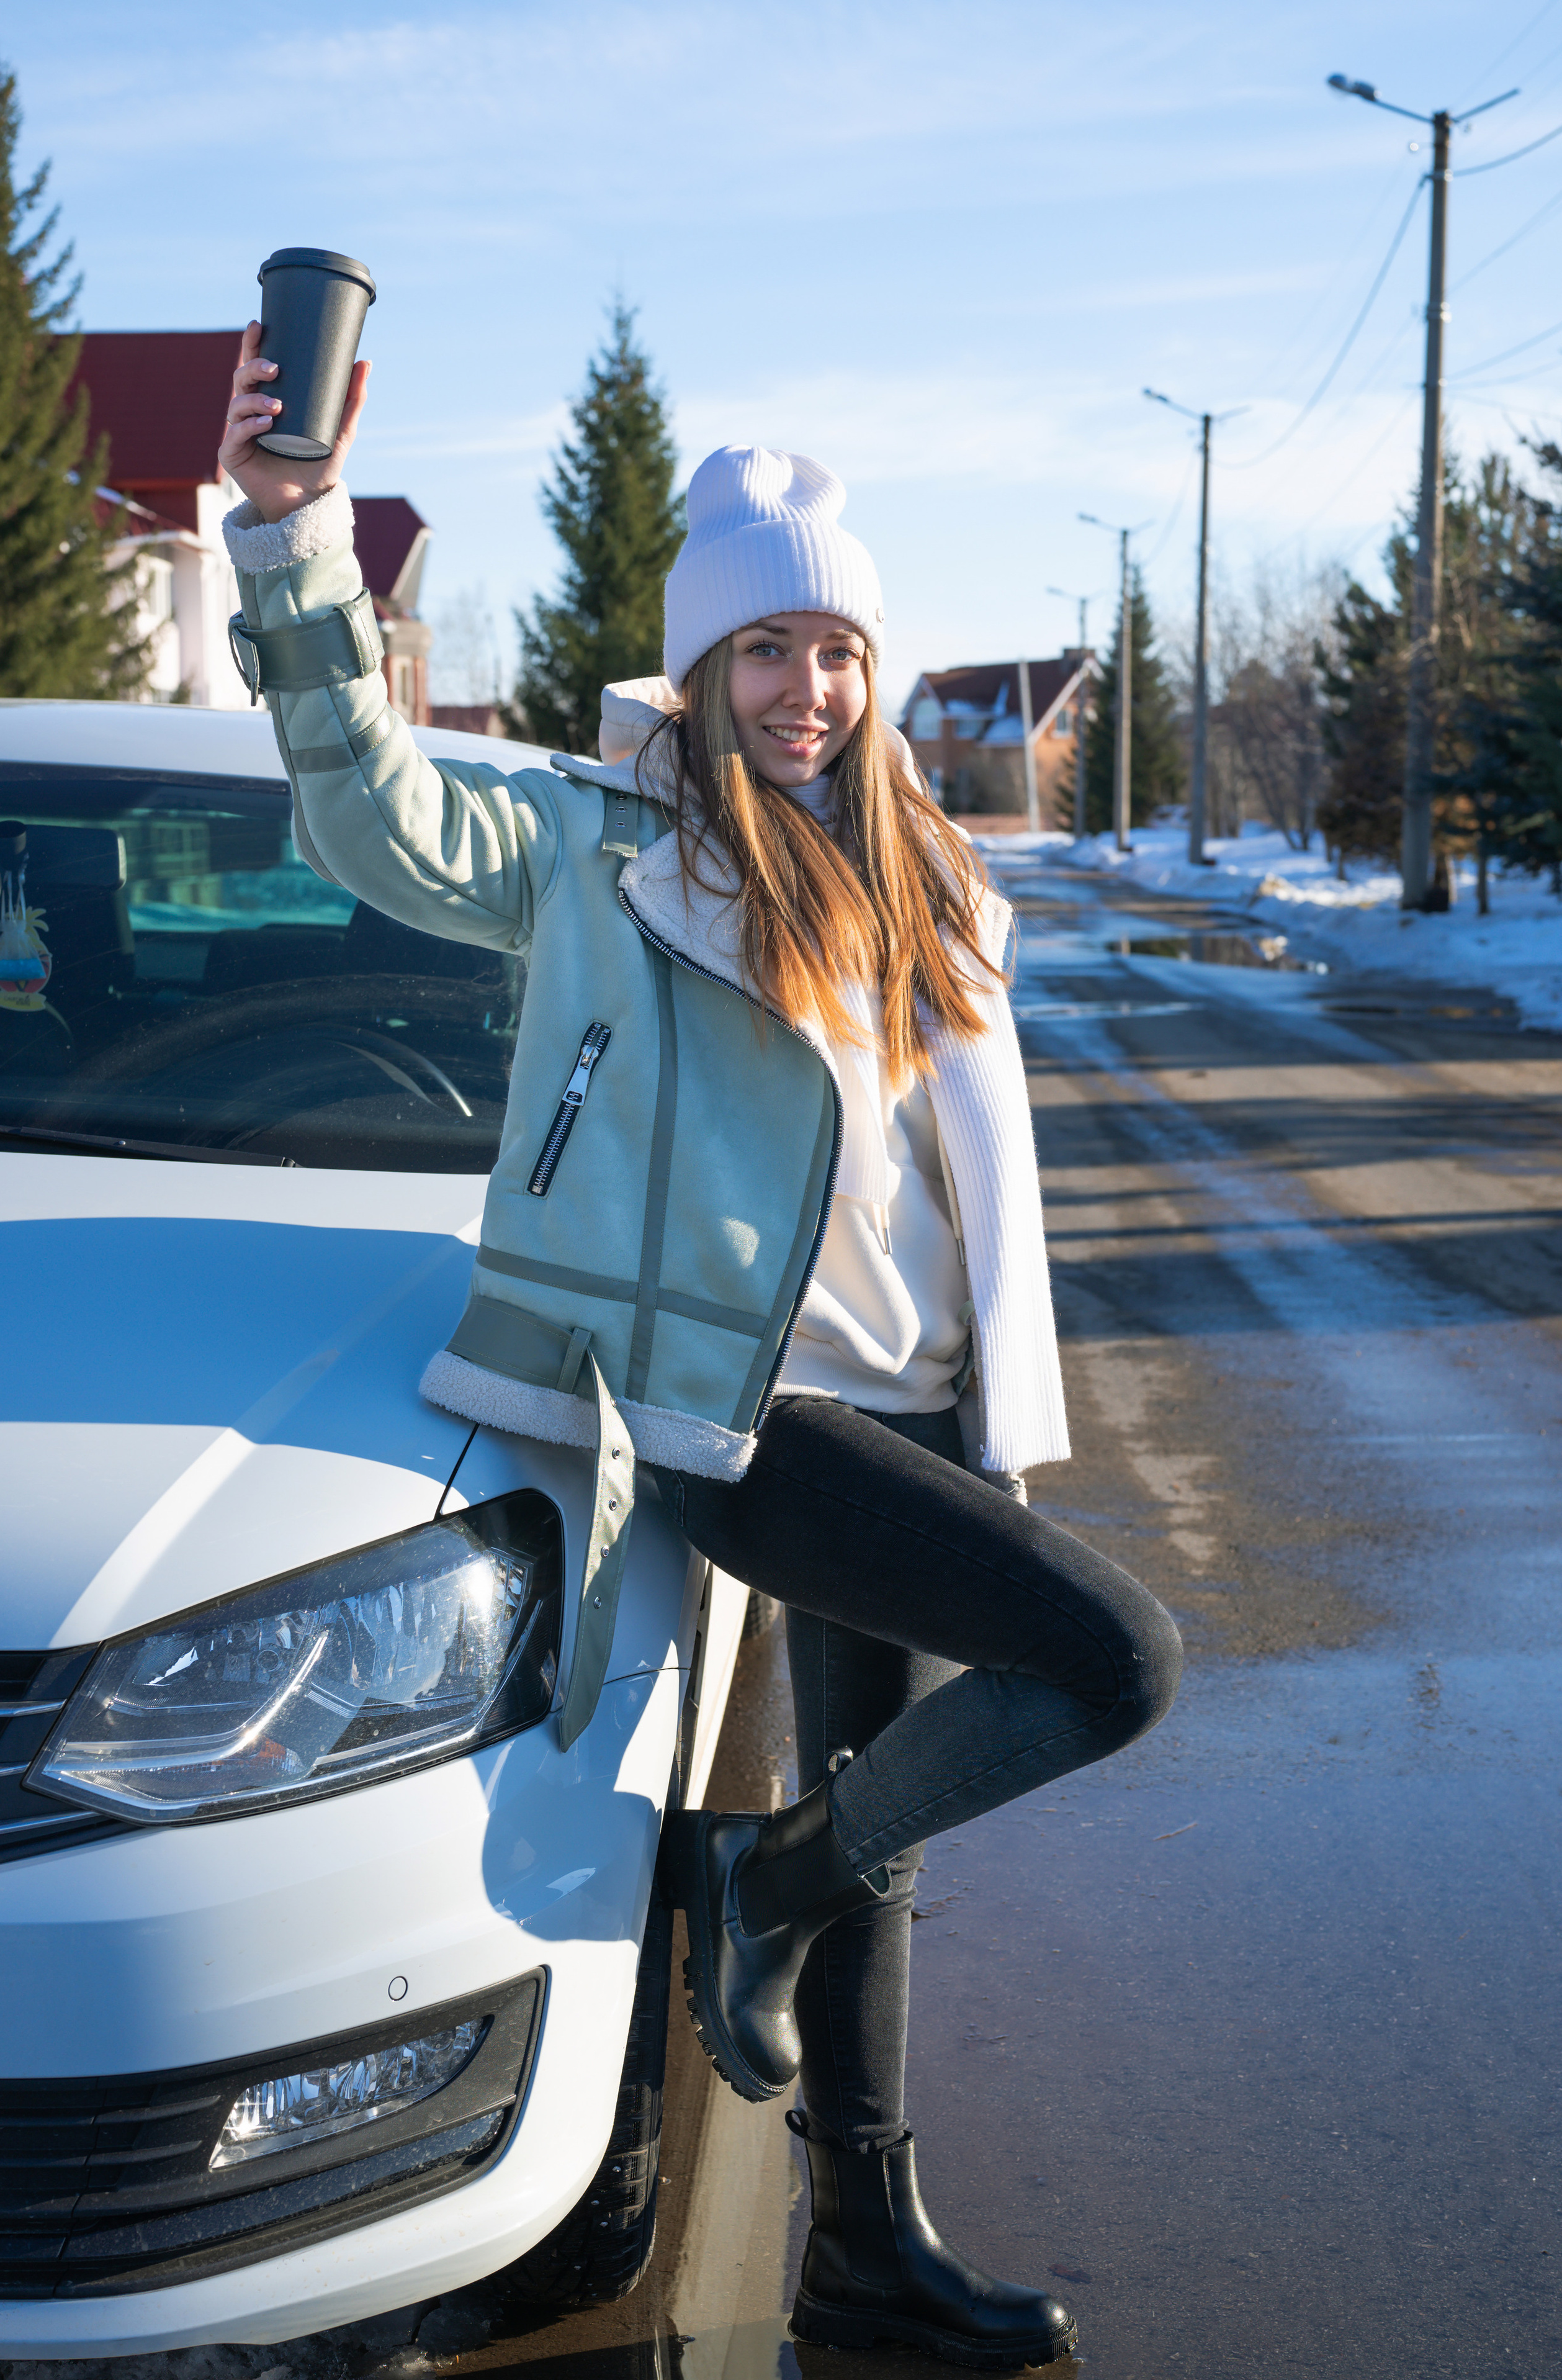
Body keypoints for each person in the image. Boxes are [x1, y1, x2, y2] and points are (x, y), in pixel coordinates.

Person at [218, 326, 1181, 2374]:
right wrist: (297, 543)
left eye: (833, 650)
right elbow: (377, 821)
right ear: (703, 671)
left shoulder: (937, 879)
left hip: (918, 1402)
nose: (806, 691)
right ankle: (762, 1873)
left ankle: (865, 2241)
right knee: (1111, 1662)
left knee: (891, 1834)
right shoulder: (614, 852)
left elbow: (958, 1184)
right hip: (757, 1412)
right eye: (766, 654)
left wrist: (1003, 1408)